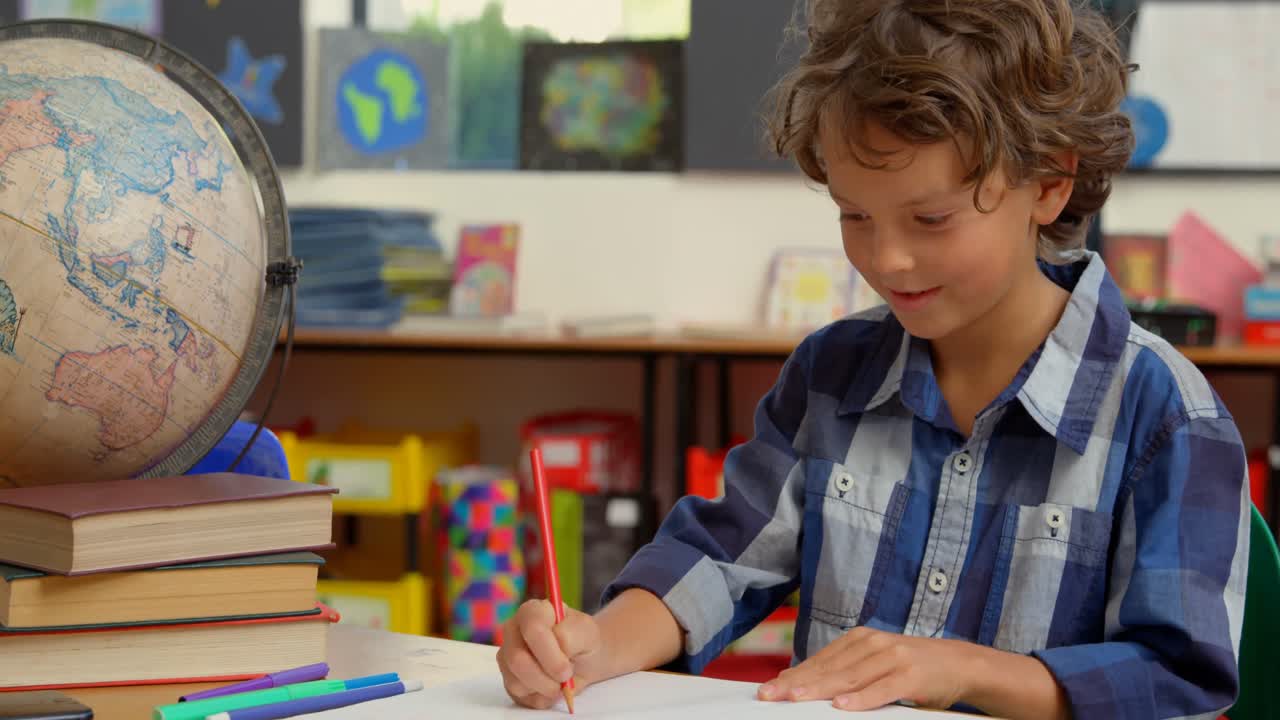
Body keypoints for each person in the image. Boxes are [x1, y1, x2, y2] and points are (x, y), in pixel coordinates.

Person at [497, 1, 1250, 717]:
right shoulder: (832, 373)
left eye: (931, 218)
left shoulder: (1165, 416)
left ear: (1049, 183)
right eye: (855, 216)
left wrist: (961, 669)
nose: (886, 258)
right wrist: (597, 644)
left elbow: (1180, 681)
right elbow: (718, 560)